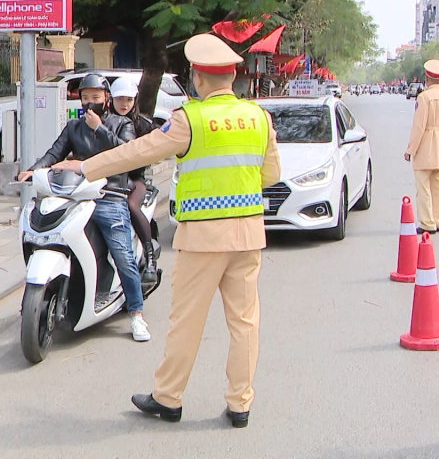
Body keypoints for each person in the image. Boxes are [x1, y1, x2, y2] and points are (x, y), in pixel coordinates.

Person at [52, 33, 281, 429]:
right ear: (231, 76)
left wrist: (85, 167)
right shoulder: (258, 117)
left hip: (203, 240)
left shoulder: (189, 119)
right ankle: (240, 404)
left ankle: (169, 397)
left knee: (186, 322)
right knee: (245, 323)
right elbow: (271, 174)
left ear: (198, 78)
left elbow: (136, 152)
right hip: (247, 237)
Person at [16, 74, 150, 342]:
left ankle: (136, 314)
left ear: (106, 99)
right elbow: (54, 153)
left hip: (109, 197)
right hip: (76, 197)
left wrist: (100, 128)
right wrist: (34, 169)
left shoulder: (121, 124)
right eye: (85, 98)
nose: (90, 103)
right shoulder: (73, 127)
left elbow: (127, 153)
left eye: (96, 98)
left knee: (122, 254)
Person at [109, 77, 159, 284]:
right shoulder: (103, 121)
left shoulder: (145, 124)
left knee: (131, 205)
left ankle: (149, 258)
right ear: (110, 99)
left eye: (128, 99)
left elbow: (153, 152)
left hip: (134, 179)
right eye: (119, 99)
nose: (124, 104)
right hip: (106, 180)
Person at [404, 59, 439, 235]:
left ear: (427, 78)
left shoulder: (424, 97)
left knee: (423, 187)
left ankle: (427, 222)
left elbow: (419, 127)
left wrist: (410, 149)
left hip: (425, 145)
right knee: (438, 186)